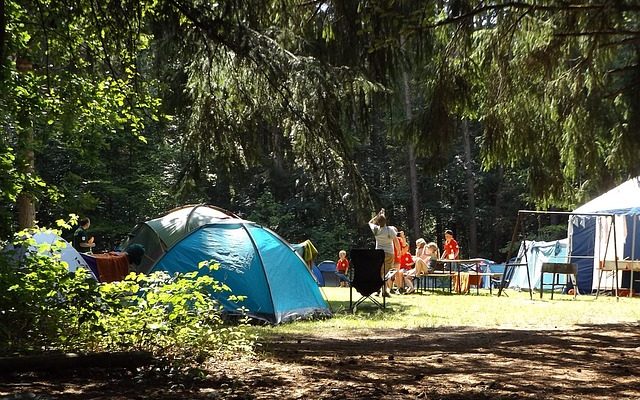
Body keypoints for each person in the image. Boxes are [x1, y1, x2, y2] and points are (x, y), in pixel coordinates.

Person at [368, 208, 398, 297]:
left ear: (378, 222)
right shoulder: (390, 230)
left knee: (379, 272)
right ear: (386, 221)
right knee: (387, 272)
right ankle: (384, 291)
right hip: (389, 253)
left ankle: (379, 290)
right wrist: (398, 251)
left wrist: (377, 216)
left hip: (378, 253)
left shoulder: (376, 229)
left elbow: (370, 222)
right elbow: (395, 240)